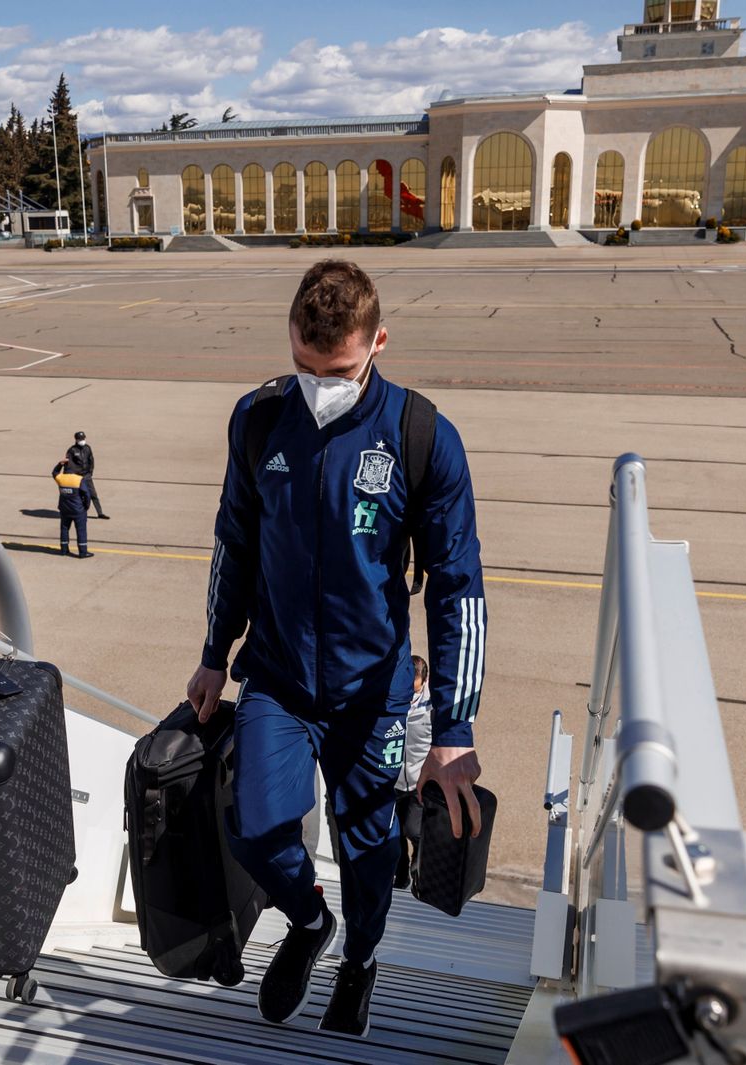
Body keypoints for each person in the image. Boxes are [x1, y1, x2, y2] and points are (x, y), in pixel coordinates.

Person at [188, 259, 488, 1037]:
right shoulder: (257, 421)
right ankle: (307, 919)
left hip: (370, 693)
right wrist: (216, 650)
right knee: (254, 825)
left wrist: (453, 729)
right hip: (280, 679)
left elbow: (460, 588)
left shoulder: (423, 437)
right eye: (304, 366)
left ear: (379, 343)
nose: (320, 383)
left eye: (341, 369)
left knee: (368, 853)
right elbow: (234, 541)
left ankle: (358, 960)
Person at [392, 656, 431, 888]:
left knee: (412, 829)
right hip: (393, 781)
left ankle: (419, 857)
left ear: (424, 681)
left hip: (419, 781)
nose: (410, 694)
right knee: (394, 833)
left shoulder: (433, 706)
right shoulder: (394, 696)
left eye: (414, 688)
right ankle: (401, 874)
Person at [53, 459, 94, 558]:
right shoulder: (79, 479)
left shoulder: (60, 478)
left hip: (64, 509)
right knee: (81, 530)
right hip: (78, 510)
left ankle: (64, 549)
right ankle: (83, 552)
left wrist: (59, 464)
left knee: (64, 528)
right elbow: (87, 494)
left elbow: (54, 472)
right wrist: (86, 506)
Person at [64, 430, 108, 519]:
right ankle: (81, 512)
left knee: (93, 495)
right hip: (77, 478)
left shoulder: (87, 448)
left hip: (87, 476)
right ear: (76, 439)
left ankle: (100, 513)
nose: (82, 440)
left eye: (83, 438)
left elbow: (91, 460)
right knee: (80, 496)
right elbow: (68, 464)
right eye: (80, 439)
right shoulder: (72, 450)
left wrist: (90, 472)